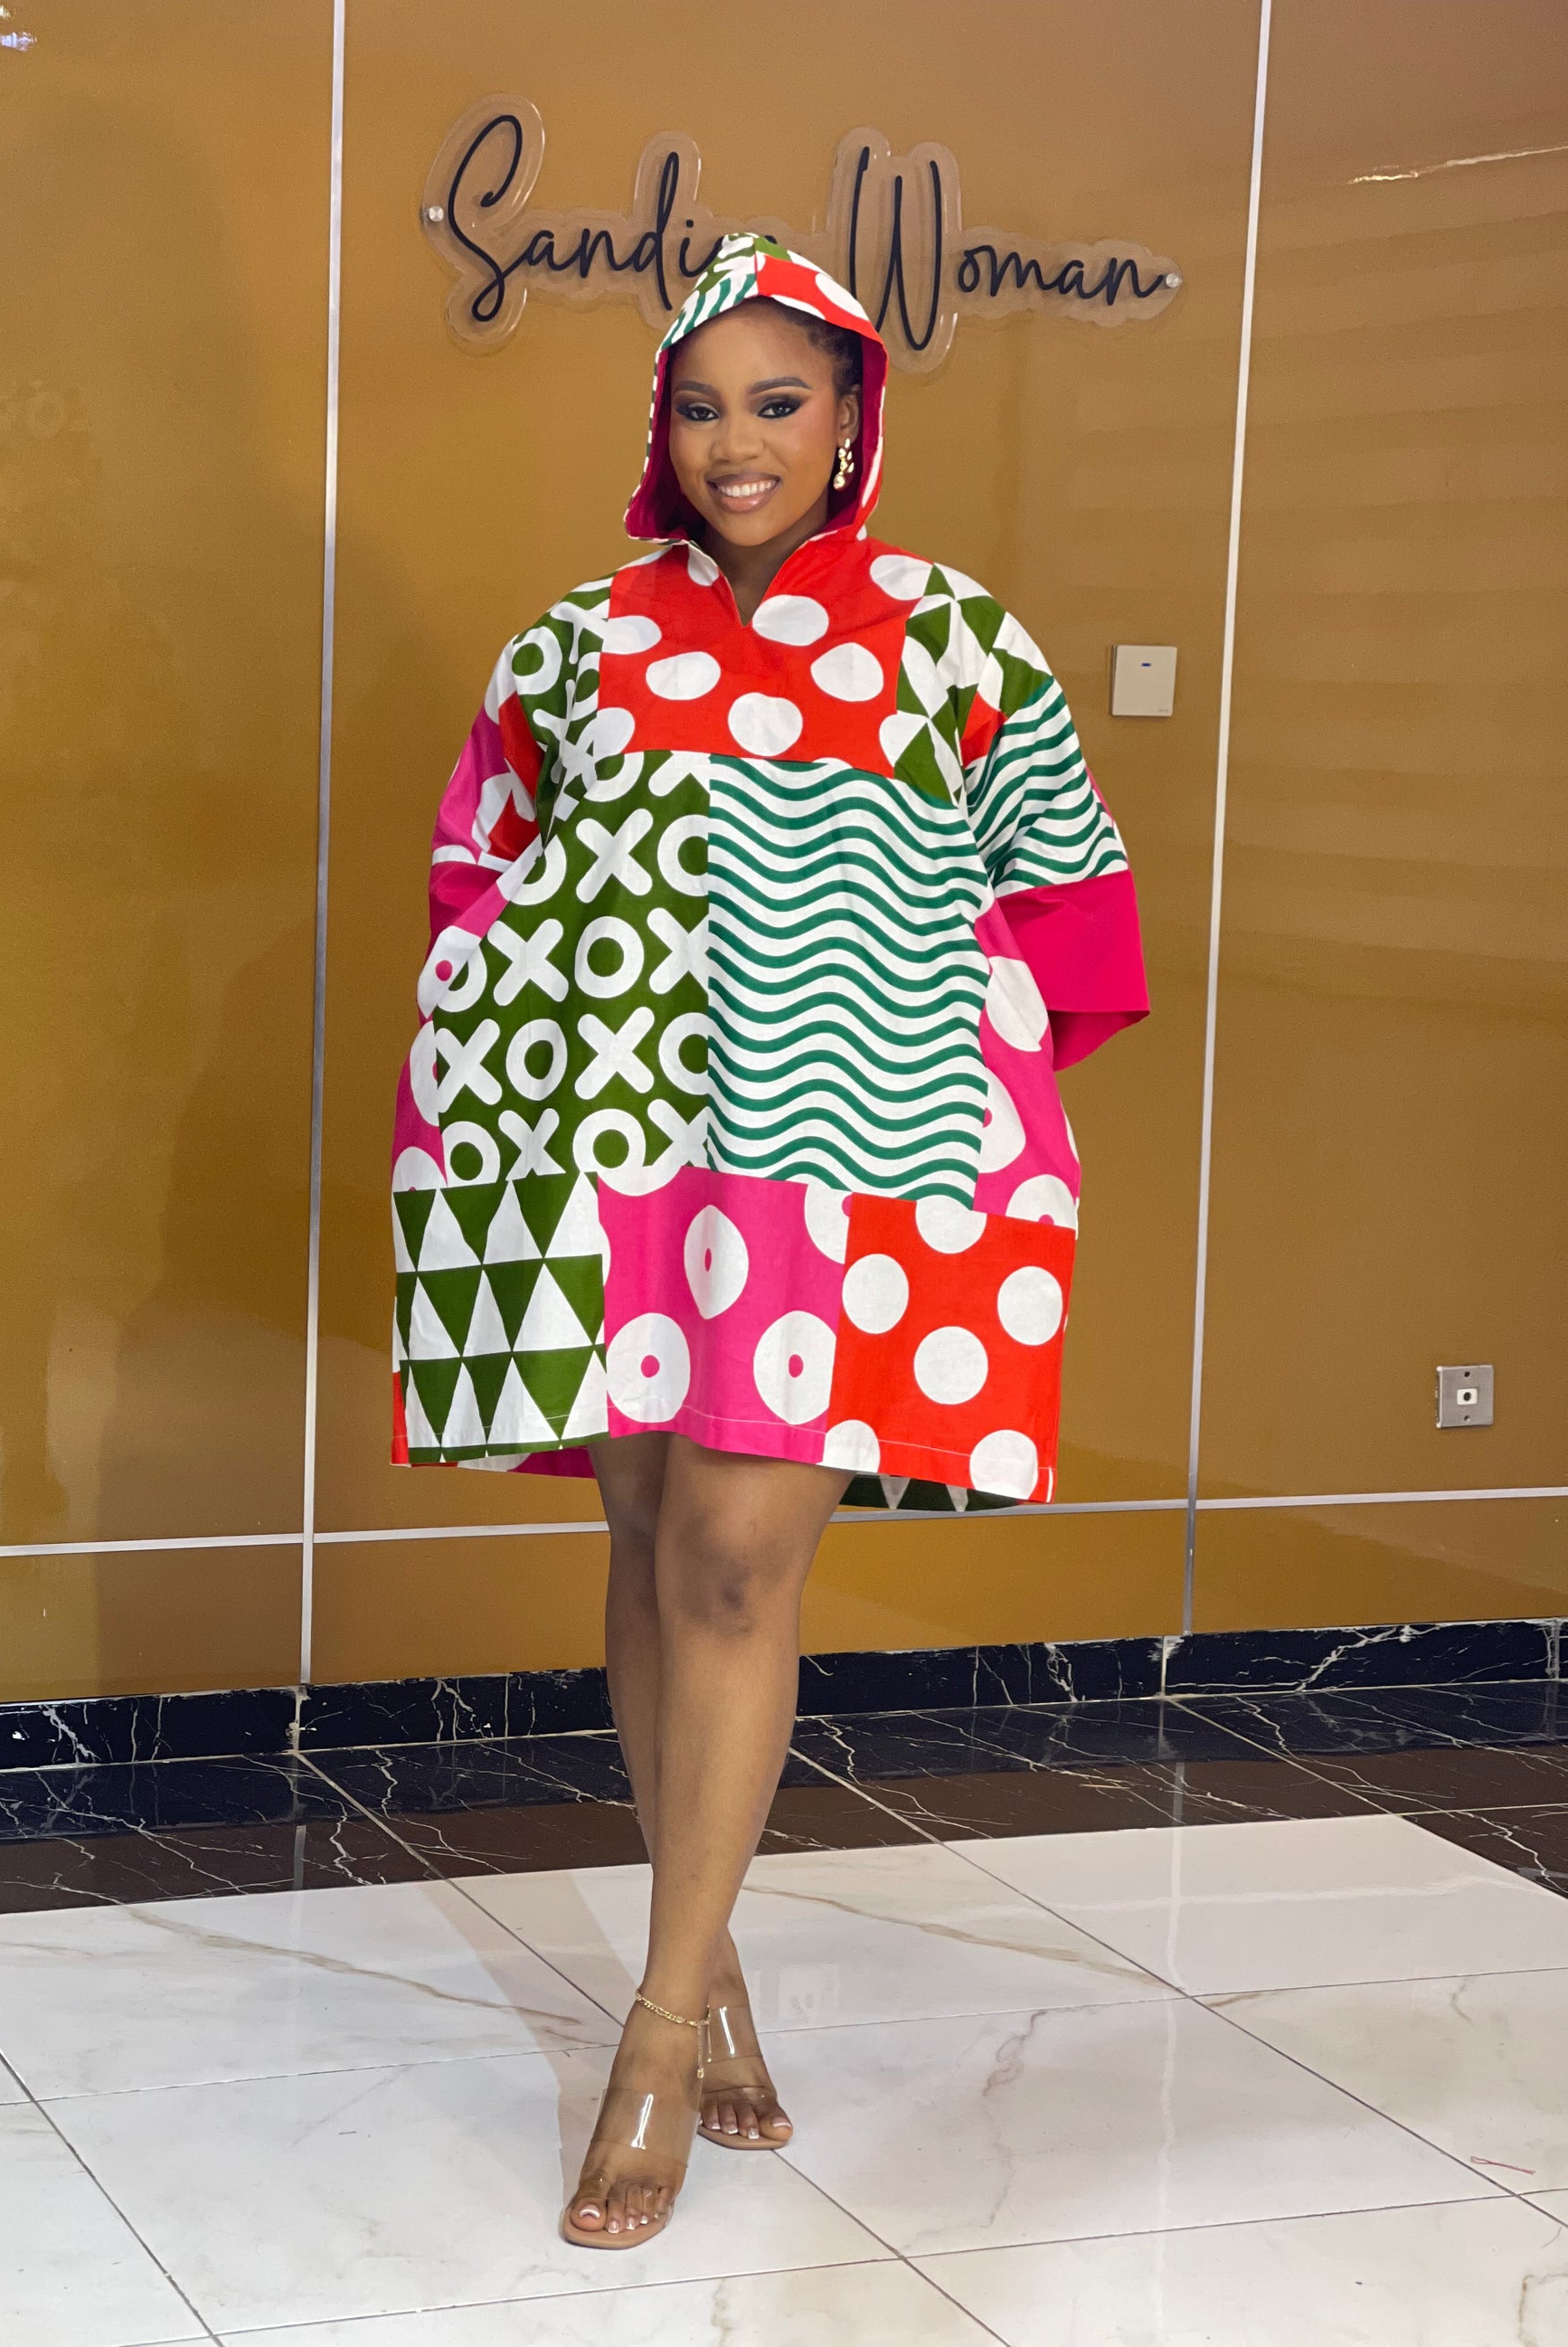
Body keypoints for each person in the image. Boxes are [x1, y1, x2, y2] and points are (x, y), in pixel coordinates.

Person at [391, 233, 1148, 2248]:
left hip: (848, 1174)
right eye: (702, 404)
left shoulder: (954, 639)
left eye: (779, 401)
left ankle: (651, 2030)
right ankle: (704, 1954)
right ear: (662, 425)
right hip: (612, 1157)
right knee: (652, 1540)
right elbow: (475, 880)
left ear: (851, 415)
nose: (738, 442)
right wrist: (513, 1089)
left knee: (736, 1556)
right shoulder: (572, 644)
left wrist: (934, 1095)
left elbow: (1069, 913)